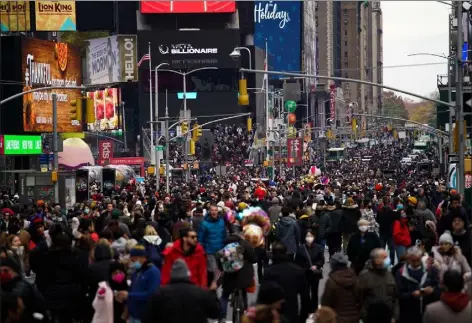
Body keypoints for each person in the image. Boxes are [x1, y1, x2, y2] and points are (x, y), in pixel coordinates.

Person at [142, 259, 219, 323]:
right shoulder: (200, 293)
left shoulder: (159, 293)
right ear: (187, 274)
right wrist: (212, 293)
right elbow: (215, 313)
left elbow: (147, 318)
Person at [262, 242, 310, 323]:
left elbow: (262, 297)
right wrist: (302, 318)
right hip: (292, 314)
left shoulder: (269, 271)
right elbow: (305, 297)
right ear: (286, 252)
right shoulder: (297, 270)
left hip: (273, 316)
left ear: (272, 253)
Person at [115, 244, 161, 323]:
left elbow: (152, 295)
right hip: (133, 315)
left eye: (133, 260)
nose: (132, 262)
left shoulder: (153, 272)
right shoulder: (136, 273)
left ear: (141, 258)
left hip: (145, 316)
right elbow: (131, 291)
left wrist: (129, 295)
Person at [395, 246, 440, 323]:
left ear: (421, 257)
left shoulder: (431, 270)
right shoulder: (401, 273)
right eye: (413, 260)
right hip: (408, 312)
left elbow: (440, 289)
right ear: (408, 259)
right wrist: (412, 294)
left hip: (428, 310)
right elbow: (398, 294)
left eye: (418, 260)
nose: (415, 263)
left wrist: (432, 290)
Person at [218, 233, 256, 323]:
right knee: (243, 292)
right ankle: (246, 313)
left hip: (230, 275)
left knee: (224, 296)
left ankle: (222, 317)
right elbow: (253, 259)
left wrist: (222, 268)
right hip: (244, 275)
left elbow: (220, 259)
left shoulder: (225, 244)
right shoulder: (246, 244)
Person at [0, 256, 48, 323]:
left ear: (15, 271)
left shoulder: (26, 288)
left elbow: (39, 311)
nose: (2, 274)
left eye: (6, 270)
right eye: (0, 272)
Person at [357, 248, 398, 322]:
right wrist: (362, 316)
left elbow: (395, 298)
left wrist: (395, 316)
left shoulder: (389, 274)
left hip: (388, 317)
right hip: (370, 318)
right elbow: (358, 298)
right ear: (376, 260)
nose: (388, 259)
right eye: (384, 257)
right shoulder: (364, 276)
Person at [321, 252, 360, 323]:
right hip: (354, 318)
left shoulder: (332, 281)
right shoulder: (355, 278)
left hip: (337, 318)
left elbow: (325, 302)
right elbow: (360, 298)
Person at [294, 229, 324, 311]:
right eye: (307, 236)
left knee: (314, 293)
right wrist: (306, 267)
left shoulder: (319, 248)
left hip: (315, 274)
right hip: (304, 274)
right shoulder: (300, 248)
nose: (309, 238)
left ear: (314, 237)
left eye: (311, 236)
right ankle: (305, 309)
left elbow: (322, 259)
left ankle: (314, 309)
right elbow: (297, 262)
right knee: (305, 293)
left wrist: (317, 265)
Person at [198, 204, 227, 284]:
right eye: (212, 210)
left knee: (223, 271)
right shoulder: (204, 224)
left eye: (215, 210)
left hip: (221, 250)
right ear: (209, 211)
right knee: (214, 272)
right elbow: (200, 239)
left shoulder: (221, 222)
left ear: (218, 211)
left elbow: (225, 235)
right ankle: (212, 290)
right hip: (210, 251)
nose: (214, 212)